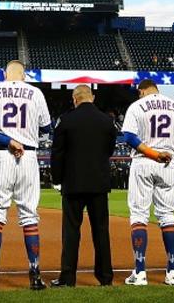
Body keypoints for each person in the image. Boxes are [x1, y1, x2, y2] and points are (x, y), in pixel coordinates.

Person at [0, 60, 52, 291]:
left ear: (4, 74)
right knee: (29, 215)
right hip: (28, 156)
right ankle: (35, 276)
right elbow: (47, 128)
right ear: (24, 75)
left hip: (2, 154)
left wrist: (8, 140)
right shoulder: (35, 93)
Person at [120, 79, 174, 286]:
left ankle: (140, 273)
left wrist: (152, 152)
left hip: (144, 161)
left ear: (142, 91)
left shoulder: (137, 106)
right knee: (167, 216)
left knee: (139, 215)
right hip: (167, 164)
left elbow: (129, 138)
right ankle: (172, 272)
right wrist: (163, 150)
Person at [49, 85, 118, 287]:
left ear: (74, 99)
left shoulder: (66, 121)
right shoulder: (107, 121)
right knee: (101, 231)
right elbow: (109, 149)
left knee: (71, 232)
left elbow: (57, 153)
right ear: (92, 97)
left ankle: (68, 277)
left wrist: (57, 179)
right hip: (98, 183)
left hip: (73, 183)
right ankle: (105, 277)